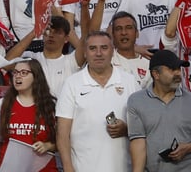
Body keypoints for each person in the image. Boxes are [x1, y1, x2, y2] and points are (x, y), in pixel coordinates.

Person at [57, 31, 140, 172]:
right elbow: (62, 134)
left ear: (113, 51)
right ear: (84, 53)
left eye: (104, 48)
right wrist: (68, 168)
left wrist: (127, 129)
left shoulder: (130, 81)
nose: (99, 53)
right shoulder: (72, 84)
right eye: (93, 48)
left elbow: (143, 128)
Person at [126, 49, 191, 172]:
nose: (178, 73)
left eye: (179, 69)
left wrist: (188, 148)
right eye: (172, 69)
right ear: (156, 74)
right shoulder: (136, 101)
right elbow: (138, 143)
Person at [0, 59, 58, 172]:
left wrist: (48, 146)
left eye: (24, 73)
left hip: (43, 168)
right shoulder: (3, 104)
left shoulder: (51, 105)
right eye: (15, 72)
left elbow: (62, 141)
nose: (18, 76)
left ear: (36, 77)